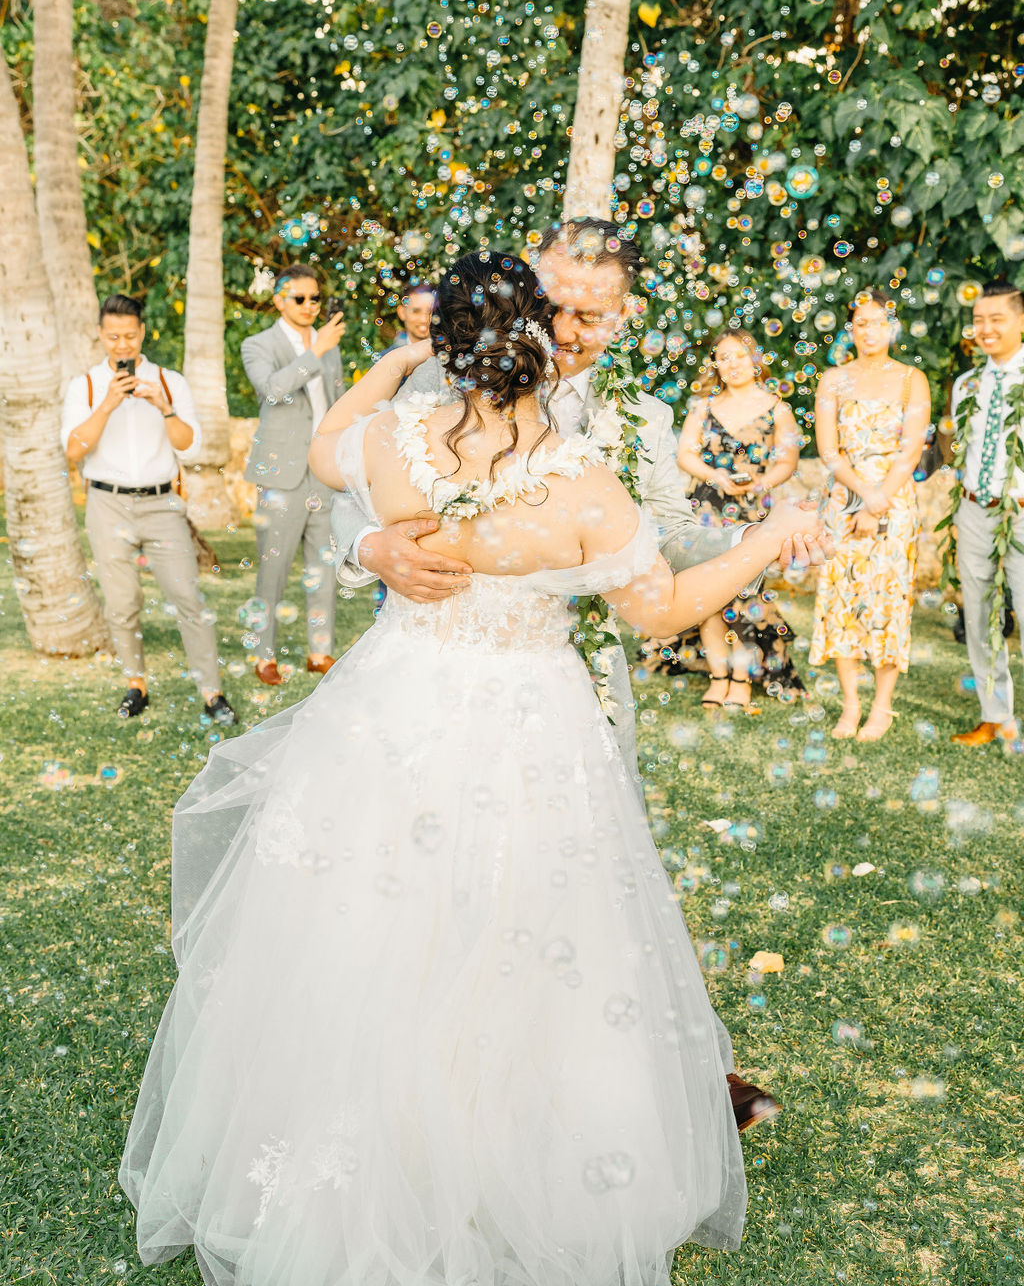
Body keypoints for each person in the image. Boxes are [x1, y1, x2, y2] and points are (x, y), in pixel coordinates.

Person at [121, 252, 817, 1285]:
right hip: (528, 724)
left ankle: (369, 1159)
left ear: (447, 343)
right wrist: (771, 536)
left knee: (370, 929)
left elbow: (320, 450)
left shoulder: (393, 445)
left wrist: (402, 358)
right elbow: (662, 609)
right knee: (527, 938)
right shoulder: (580, 483)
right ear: (539, 342)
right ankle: (509, 1164)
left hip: (395, 703)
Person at [332, 219, 831, 1134]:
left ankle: (639, 1075)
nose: (569, 330)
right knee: (411, 877)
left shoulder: (637, 416)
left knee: (589, 876)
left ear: (625, 315)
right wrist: (369, 550)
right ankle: (421, 1079)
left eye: (593, 316)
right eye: (556, 304)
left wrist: (769, 546)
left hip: (572, 678)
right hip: (430, 669)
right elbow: (342, 493)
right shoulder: (449, 378)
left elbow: (673, 540)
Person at [61, 294, 237, 725]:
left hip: (162, 504)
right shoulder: (83, 385)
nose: (122, 345)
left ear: (142, 333)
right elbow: (72, 449)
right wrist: (106, 404)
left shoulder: (170, 381)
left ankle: (212, 693)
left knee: (188, 598)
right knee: (122, 603)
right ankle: (135, 684)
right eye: (113, 336)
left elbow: (188, 444)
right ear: (101, 335)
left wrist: (165, 408)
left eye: (129, 335)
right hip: (107, 503)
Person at [656, 329, 803, 709]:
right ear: (715, 364)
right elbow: (685, 454)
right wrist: (715, 475)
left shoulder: (777, 408)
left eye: (739, 355)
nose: (732, 364)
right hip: (707, 508)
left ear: (754, 358)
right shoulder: (703, 406)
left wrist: (761, 481)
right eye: (723, 357)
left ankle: (741, 679)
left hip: (753, 512)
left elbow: (787, 460)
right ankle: (719, 677)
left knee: (744, 596)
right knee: (707, 595)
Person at [810, 289, 930, 741]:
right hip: (845, 496)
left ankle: (881, 707)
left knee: (888, 597)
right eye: (861, 323)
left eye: (879, 321)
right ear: (851, 329)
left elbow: (912, 446)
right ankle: (851, 705)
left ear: (892, 327)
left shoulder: (910, 379)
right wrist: (862, 496)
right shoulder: (834, 379)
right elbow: (827, 449)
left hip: (896, 500)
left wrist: (880, 499)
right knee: (843, 600)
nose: (869, 330)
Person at [241, 266, 345, 685]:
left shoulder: (329, 346)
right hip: (282, 473)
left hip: (323, 470)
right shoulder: (257, 344)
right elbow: (271, 389)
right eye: (299, 298)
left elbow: (336, 401)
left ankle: (320, 651)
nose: (309, 306)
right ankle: (262, 653)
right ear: (279, 300)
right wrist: (315, 351)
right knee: (273, 568)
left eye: (314, 298)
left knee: (322, 566)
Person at [948, 281, 1024, 746]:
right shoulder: (966, 384)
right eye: (979, 320)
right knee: (978, 616)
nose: (986, 328)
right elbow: (965, 448)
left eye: (997, 319)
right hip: (976, 512)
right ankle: (995, 715)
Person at [390, 281, 435, 347]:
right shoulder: (386, 356)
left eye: (430, 312)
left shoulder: (451, 354)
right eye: (416, 311)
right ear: (401, 312)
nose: (424, 320)